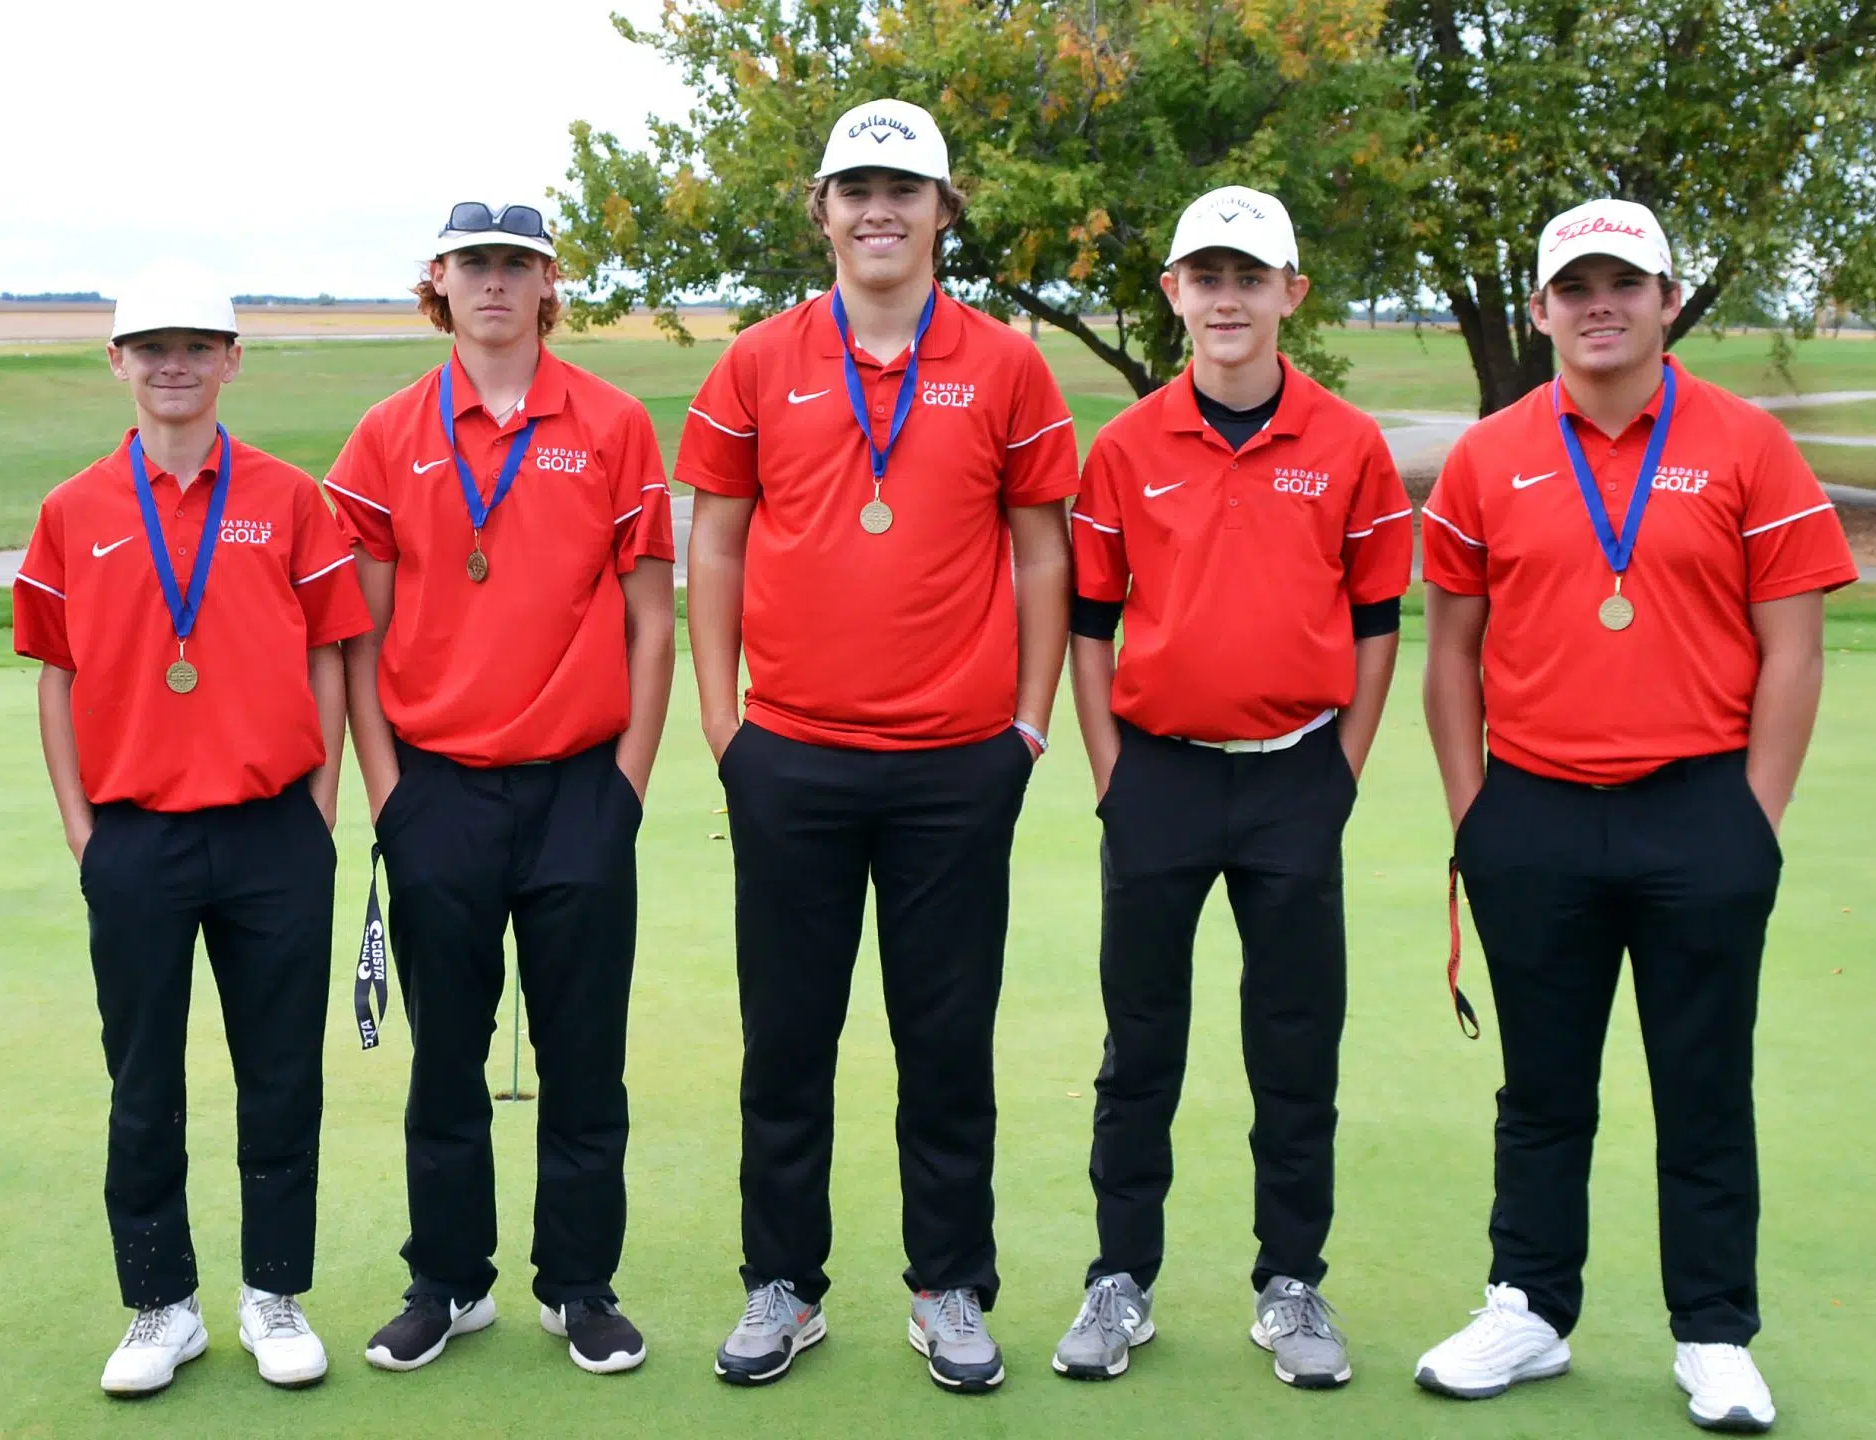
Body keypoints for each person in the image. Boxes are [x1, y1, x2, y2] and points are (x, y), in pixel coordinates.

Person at [1411, 199, 1857, 1434]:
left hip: (1695, 811)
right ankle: (1530, 1309)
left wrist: (1750, 820)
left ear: (1668, 300)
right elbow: (1450, 652)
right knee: (1542, 1090)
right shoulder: (1487, 454)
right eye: (1575, 286)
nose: (1598, 303)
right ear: (1544, 309)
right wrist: (1475, 808)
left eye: (1625, 282)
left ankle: (1712, 1332)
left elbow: (1794, 648)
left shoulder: (1745, 444)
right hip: (1535, 814)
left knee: (1701, 1085)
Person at [680, 97, 1079, 1394]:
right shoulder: (757, 361)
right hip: (789, 754)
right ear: (823, 211)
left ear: (943, 211)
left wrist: (1027, 725)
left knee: (945, 1041)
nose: (878, 210)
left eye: (903, 189)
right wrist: (723, 725)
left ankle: (949, 1284)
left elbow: (1040, 550)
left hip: (958, 762)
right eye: (855, 188)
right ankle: (782, 1286)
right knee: (787, 1038)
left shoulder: (1007, 365)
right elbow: (719, 541)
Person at [1055, 186, 1411, 1390]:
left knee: (1294, 1039)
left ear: (1288, 296)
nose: (1225, 297)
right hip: (1155, 774)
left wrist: (1341, 771)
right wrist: (1112, 775)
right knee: (1139, 1044)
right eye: (1204, 276)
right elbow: (1089, 628)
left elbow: (1376, 627)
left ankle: (1290, 1285)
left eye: (1248, 277)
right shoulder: (1124, 447)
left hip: (1294, 778)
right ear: (1173, 294)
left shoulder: (1349, 445)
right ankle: (1121, 1280)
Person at [11, 270, 374, 1397]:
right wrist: (81, 826)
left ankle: (272, 1292)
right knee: (142, 1081)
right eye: (150, 346)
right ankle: (161, 1304)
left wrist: (316, 805)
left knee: (279, 1075)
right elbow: (56, 676)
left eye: (197, 345)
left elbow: (329, 652)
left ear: (231, 360)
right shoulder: (74, 510)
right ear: (115, 362)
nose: (174, 363)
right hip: (134, 838)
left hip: (272, 831)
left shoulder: (287, 496)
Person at [328, 201, 676, 1377]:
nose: (493, 283)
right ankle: (447, 1281)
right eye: (473, 263)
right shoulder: (386, 434)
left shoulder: (616, 423)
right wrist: (389, 794)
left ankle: (579, 1287)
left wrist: (625, 787)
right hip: (438, 792)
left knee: (584, 1056)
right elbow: (356, 634)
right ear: (440, 280)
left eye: (515, 264)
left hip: (580, 785)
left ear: (545, 284)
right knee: (444, 1062)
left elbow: (649, 619)